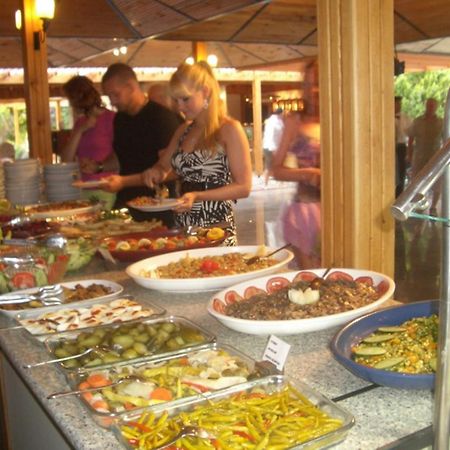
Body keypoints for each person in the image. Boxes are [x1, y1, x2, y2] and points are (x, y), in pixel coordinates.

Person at [140, 61, 253, 244]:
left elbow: (243, 187)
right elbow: (163, 165)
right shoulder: (183, 130)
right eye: (176, 101)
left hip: (216, 228)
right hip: (184, 226)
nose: (180, 107)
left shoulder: (229, 129)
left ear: (206, 92)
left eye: (185, 99)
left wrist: (198, 196)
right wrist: (155, 172)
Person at [82, 63, 183, 224]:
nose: (112, 102)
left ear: (130, 87)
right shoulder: (120, 119)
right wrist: (99, 166)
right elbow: (121, 156)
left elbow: (172, 170)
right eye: (109, 96)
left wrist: (123, 182)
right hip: (125, 205)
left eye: (116, 95)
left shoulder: (161, 118)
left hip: (157, 207)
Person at [271, 111, 320, 268]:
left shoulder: (343, 114)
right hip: (307, 209)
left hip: (340, 209)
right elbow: (276, 170)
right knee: (311, 278)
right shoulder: (295, 123)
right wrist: (308, 174)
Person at [61, 75, 117, 209]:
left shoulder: (112, 119)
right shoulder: (80, 123)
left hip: (107, 188)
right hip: (84, 190)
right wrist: (80, 130)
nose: (70, 106)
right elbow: (66, 159)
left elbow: (121, 156)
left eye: (70, 101)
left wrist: (98, 166)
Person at [407, 98, 443, 215]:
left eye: (433, 106)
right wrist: (409, 154)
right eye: (428, 105)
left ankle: (433, 207)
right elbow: (411, 138)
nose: (430, 108)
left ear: (436, 107)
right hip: (419, 156)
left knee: (437, 182)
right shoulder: (418, 121)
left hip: (435, 157)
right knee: (417, 181)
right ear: (425, 106)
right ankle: (420, 204)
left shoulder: (441, 122)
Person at [262, 108, 284, 184]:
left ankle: (265, 183)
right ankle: (280, 182)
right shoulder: (278, 122)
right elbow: (278, 135)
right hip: (273, 146)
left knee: (268, 165)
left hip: (266, 145)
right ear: (281, 114)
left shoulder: (268, 120)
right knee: (278, 165)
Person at [394, 96, 411, 197]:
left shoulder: (406, 118)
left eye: (400, 104)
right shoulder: (383, 117)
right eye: (397, 104)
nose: (399, 106)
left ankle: (399, 195)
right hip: (388, 148)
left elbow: (410, 133)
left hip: (401, 146)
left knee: (401, 171)